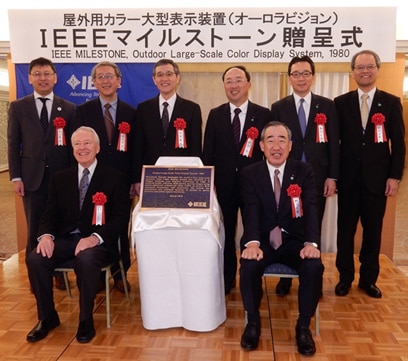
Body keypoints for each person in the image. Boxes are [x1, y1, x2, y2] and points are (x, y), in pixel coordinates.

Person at [26, 126, 130, 344]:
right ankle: (47, 317)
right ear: (72, 149)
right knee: (36, 258)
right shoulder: (60, 178)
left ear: (97, 147)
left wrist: (95, 238)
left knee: (86, 258)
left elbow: (120, 219)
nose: (82, 148)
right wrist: (45, 236)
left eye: (87, 143)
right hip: (66, 239)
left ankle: (85, 319)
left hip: (99, 243)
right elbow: (49, 214)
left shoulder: (115, 178)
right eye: (77, 144)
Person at [239, 121, 323, 356]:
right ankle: (253, 322)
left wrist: (311, 243)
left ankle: (303, 326)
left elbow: (311, 208)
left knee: (314, 267)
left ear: (290, 145)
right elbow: (250, 209)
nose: (276, 146)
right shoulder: (250, 173)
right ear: (262, 146)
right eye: (270, 140)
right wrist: (253, 242)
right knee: (249, 266)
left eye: (282, 140)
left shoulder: (304, 171)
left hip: (294, 240)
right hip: (263, 239)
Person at [334, 50, 405, 299]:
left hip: (378, 181)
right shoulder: (340, 103)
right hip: (348, 179)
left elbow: (399, 144)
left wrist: (394, 177)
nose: (365, 71)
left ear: (377, 69)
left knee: (373, 231)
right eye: (360, 67)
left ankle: (368, 279)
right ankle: (344, 278)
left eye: (370, 66)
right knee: (345, 231)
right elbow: (334, 143)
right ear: (352, 71)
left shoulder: (391, 102)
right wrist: (333, 176)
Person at [270, 55, 339, 296]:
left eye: (306, 73)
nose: (301, 78)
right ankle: (285, 279)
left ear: (313, 77)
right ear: (289, 78)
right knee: (286, 225)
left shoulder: (327, 105)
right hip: (287, 177)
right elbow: (275, 146)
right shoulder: (279, 107)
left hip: (317, 179)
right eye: (296, 73)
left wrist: (332, 177)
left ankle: (313, 280)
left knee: (312, 226)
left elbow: (333, 145)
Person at [7, 57, 76, 290]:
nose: (43, 78)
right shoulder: (18, 107)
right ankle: (36, 280)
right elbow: (13, 144)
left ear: (55, 77)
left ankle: (58, 274)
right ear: (29, 78)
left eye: (47, 73)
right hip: (31, 179)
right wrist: (16, 177)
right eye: (37, 74)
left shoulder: (68, 108)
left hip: (61, 180)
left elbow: (72, 148)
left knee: (59, 226)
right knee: (35, 229)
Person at [202, 65, 272, 295]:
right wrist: (209, 184)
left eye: (238, 80)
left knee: (254, 230)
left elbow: (268, 153)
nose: (234, 85)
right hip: (223, 185)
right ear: (224, 86)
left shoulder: (263, 114)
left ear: (249, 84)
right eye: (229, 81)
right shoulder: (215, 114)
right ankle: (227, 277)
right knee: (226, 232)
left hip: (254, 186)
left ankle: (251, 276)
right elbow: (208, 152)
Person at [75, 61, 137, 293]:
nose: (105, 80)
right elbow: (79, 148)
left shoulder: (131, 113)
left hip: (122, 180)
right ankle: (97, 273)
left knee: (120, 225)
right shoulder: (83, 111)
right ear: (94, 83)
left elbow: (136, 149)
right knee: (94, 222)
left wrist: (133, 179)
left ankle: (120, 273)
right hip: (94, 179)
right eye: (100, 77)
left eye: (110, 76)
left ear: (119, 81)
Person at [134, 58, 202, 194]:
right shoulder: (143, 109)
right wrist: (137, 179)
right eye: (160, 75)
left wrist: (196, 178)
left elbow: (196, 148)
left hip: (182, 176)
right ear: (154, 79)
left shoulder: (192, 109)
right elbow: (138, 146)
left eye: (169, 74)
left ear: (177, 78)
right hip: (151, 176)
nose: (164, 78)